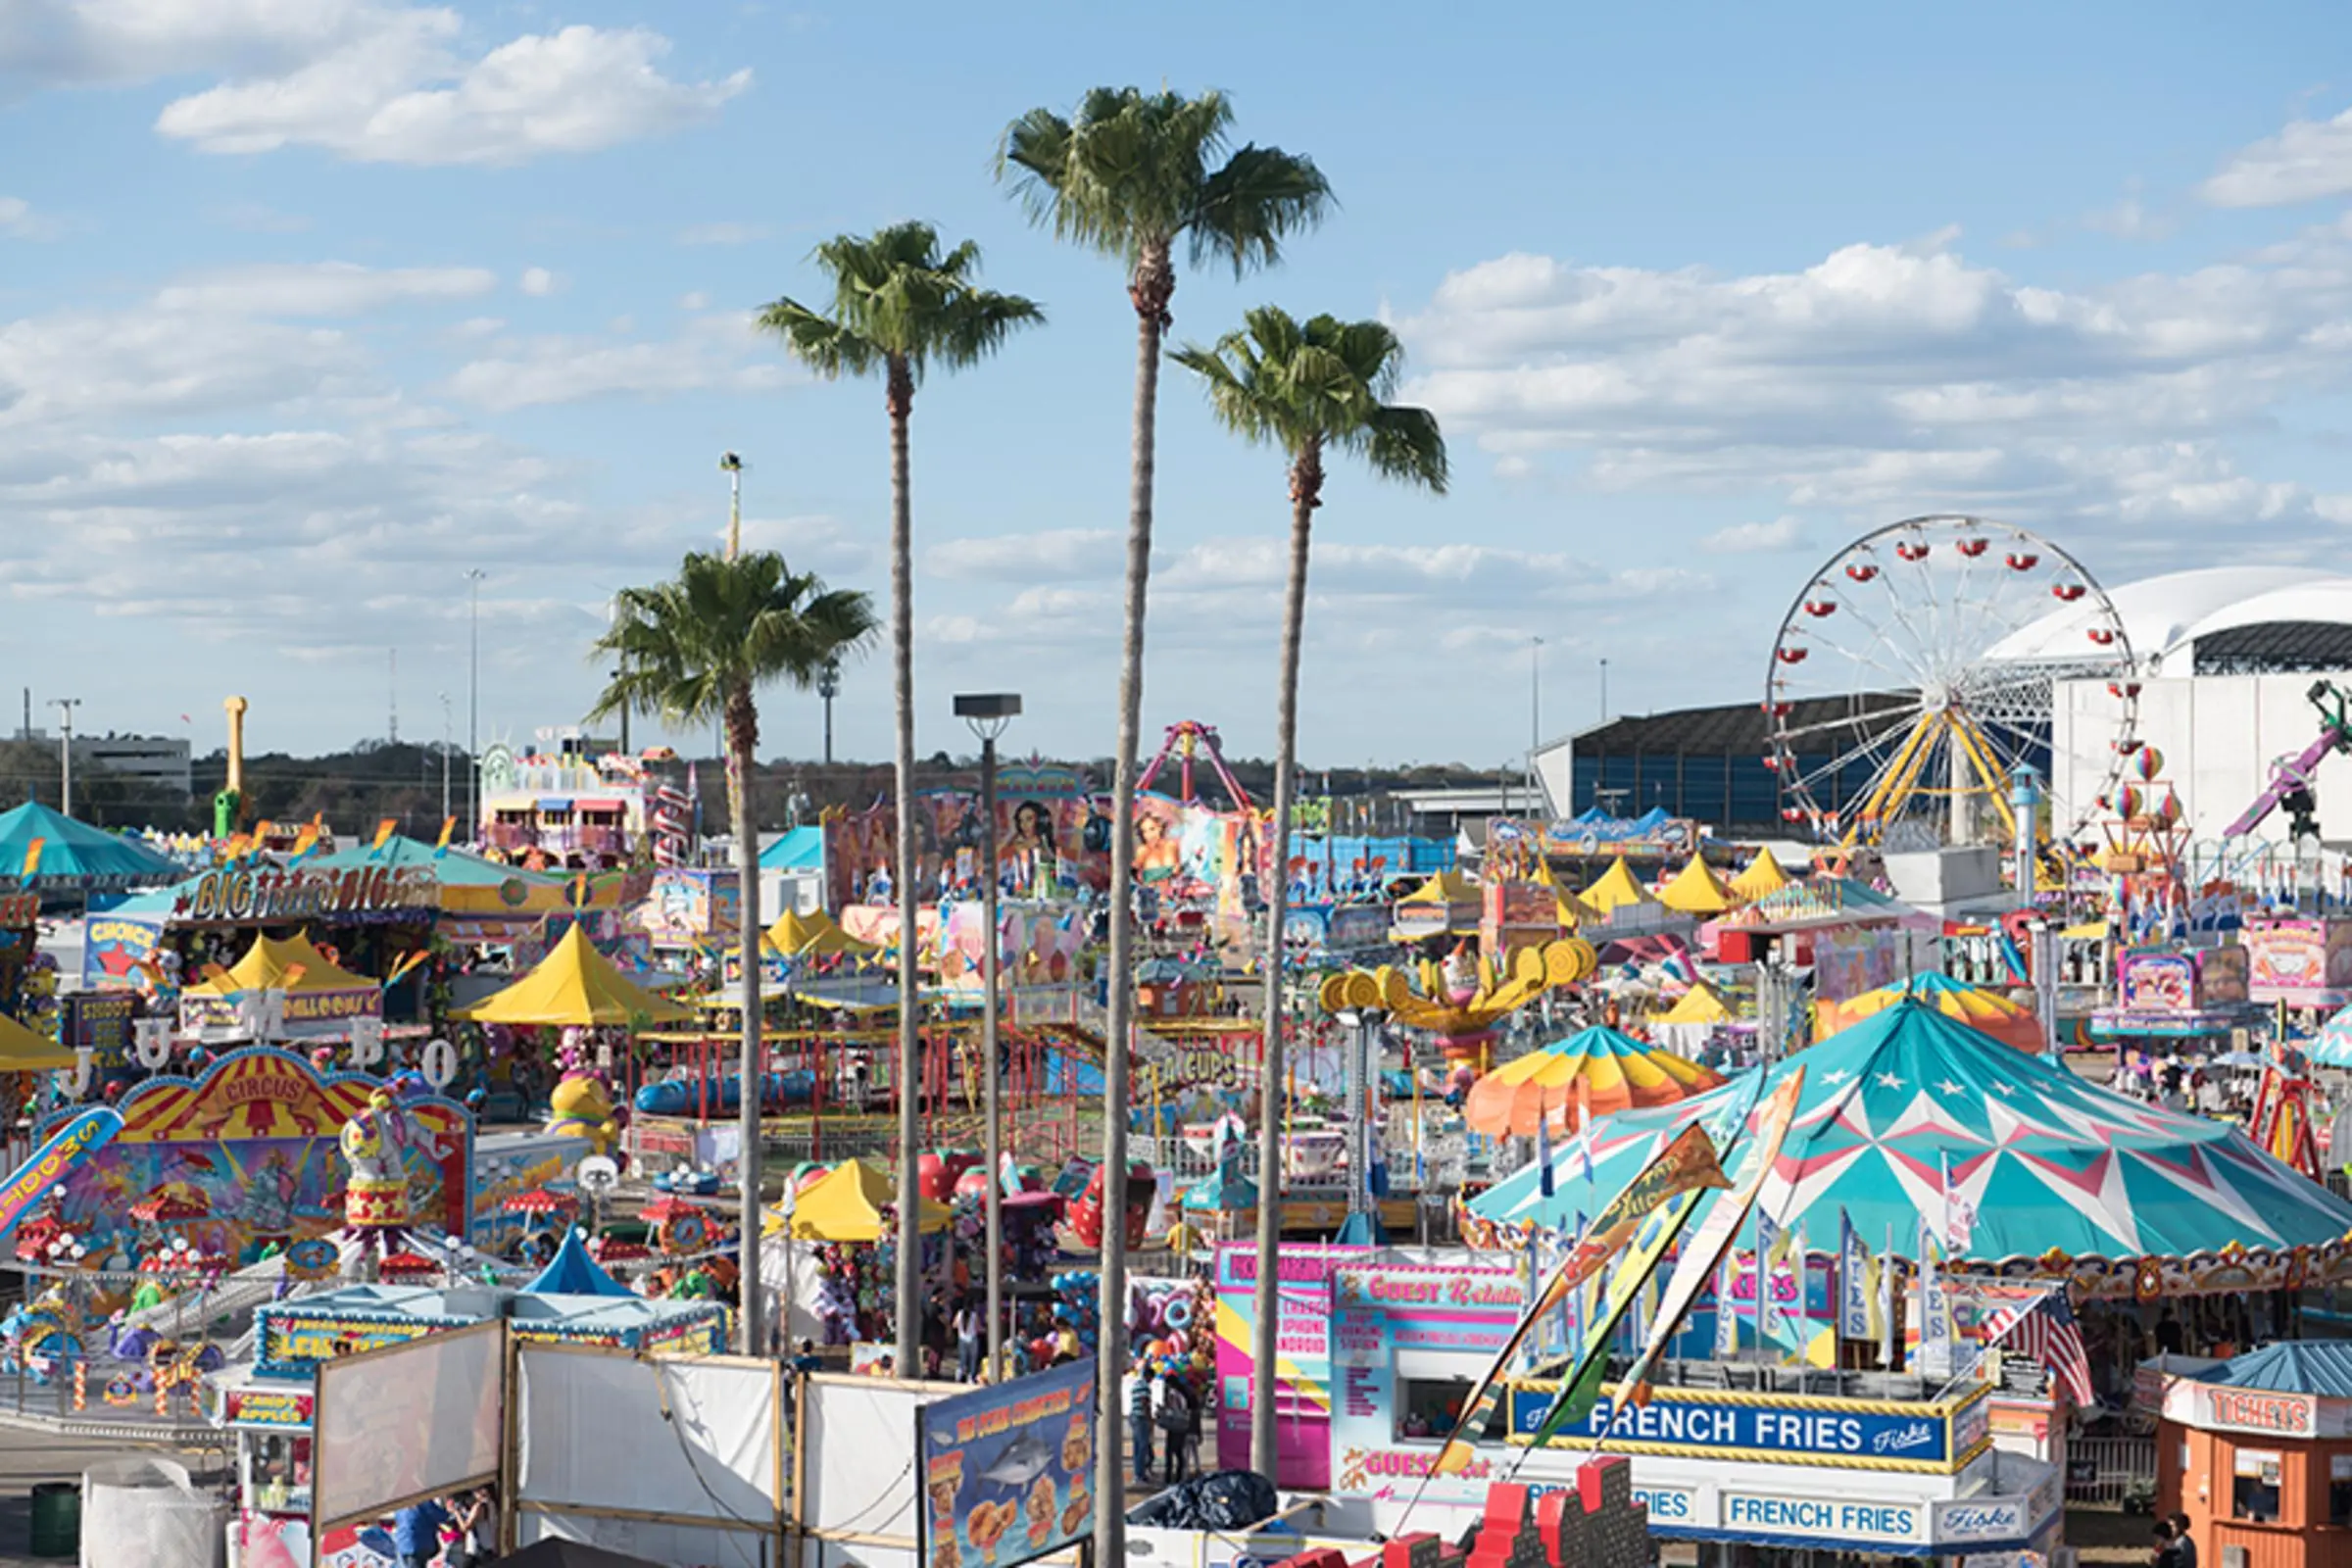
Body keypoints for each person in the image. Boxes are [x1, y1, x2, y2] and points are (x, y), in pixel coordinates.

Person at [392, 1495, 452, 1568]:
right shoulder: (421, 1497)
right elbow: (436, 1515)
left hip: (404, 1542)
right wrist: (449, 1511)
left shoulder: (398, 1501)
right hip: (417, 1543)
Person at [1125, 1362, 1156, 1487]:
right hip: (1141, 1418)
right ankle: (1139, 1476)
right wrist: (1150, 1420)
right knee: (1142, 1447)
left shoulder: (1136, 1384)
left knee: (1138, 1447)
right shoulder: (1144, 1387)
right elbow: (1145, 1404)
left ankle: (1140, 1473)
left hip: (1133, 1416)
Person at [450, 1486, 497, 1568]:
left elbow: (465, 1527)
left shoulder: (480, 1506)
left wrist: (456, 1512)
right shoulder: (491, 1504)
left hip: (478, 1551)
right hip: (487, 1549)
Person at [955, 1298, 983, 1383]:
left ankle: (959, 1375)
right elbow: (978, 1328)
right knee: (972, 1359)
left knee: (962, 1359)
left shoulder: (959, 1314)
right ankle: (970, 1377)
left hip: (962, 1338)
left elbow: (954, 1325)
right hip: (972, 1338)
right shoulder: (974, 1315)